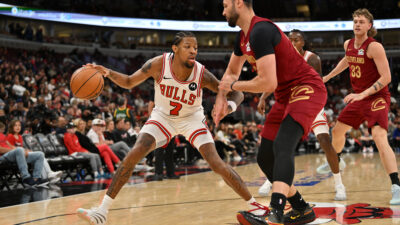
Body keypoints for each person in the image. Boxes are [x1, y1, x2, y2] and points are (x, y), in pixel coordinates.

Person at [77, 31, 268, 225]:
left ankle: (256, 206)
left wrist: (228, 107)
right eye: (187, 47)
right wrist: (107, 73)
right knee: (135, 153)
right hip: (163, 117)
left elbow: (238, 94)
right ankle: (102, 211)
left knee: (216, 163)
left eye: (195, 47)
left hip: (191, 118)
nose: (193, 51)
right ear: (175, 49)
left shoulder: (201, 73)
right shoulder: (158, 64)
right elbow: (128, 82)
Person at [215, 0, 328, 224]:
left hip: (306, 87)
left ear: (239, 3)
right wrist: (221, 100)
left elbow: (267, 82)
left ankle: (275, 214)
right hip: (285, 95)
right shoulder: (243, 37)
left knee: (282, 144)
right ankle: (302, 208)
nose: (223, 10)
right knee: (265, 158)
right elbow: (230, 73)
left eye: (226, 4)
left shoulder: (261, 30)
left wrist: (234, 87)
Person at [257, 29, 346, 200]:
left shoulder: (312, 59)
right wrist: (262, 97)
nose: (292, 43)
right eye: (289, 40)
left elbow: (318, 86)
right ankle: (273, 181)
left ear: (303, 42)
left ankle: (339, 184)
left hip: (311, 103)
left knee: (325, 142)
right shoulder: (282, 58)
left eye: (296, 40)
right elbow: (273, 80)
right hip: (291, 105)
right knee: (280, 144)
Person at [323, 8, 400, 205]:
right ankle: (337, 159)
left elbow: (387, 78)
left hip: (376, 97)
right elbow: (347, 61)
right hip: (358, 98)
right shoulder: (348, 44)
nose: (357, 24)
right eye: (355, 21)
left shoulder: (374, 47)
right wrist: (328, 77)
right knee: (337, 131)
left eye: (361, 22)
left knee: (379, 137)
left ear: (369, 26)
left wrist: (362, 94)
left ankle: (396, 186)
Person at [6, 119, 62, 184]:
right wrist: (25, 151)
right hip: (16, 158)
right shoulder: (10, 136)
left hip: (22, 156)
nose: (18, 127)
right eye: (15, 125)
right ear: (11, 127)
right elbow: (10, 148)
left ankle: (47, 177)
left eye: (19, 125)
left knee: (40, 155)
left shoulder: (19, 136)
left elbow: (20, 148)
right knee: (37, 156)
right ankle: (48, 175)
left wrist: (27, 150)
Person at [0, 122, 48, 187]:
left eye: (2, 129)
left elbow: (11, 146)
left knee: (40, 154)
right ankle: (26, 178)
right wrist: (18, 151)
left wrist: (24, 151)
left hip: (12, 155)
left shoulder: (3, 136)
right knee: (19, 150)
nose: (2, 131)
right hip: (2, 157)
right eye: (1, 129)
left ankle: (36, 179)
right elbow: (1, 150)